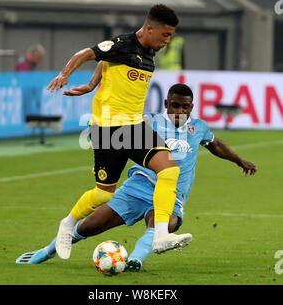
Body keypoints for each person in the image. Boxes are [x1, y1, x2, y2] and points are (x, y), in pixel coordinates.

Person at [16, 83, 257, 271]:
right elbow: (118, 132)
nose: (180, 112)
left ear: (191, 107)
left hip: (172, 195)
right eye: (175, 105)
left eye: (185, 107)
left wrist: (239, 161)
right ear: (166, 103)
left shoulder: (199, 127)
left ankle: (134, 260)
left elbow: (215, 145)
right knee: (90, 225)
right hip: (137, 187)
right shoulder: (148, 122)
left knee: (164, 223)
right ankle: (47, 251)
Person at [46, 4, 188, 259]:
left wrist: (92, 84)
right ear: (150, 28)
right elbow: (88, 54)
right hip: (108, 129)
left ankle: (160, 235)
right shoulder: (123, 43)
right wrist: (66, 74)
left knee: (169, 169)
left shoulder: (149, 53)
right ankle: (67, 224)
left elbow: (105, 63)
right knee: (103, 193)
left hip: (134, 126)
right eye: (165, 35)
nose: (168, 41)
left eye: (171, 36)